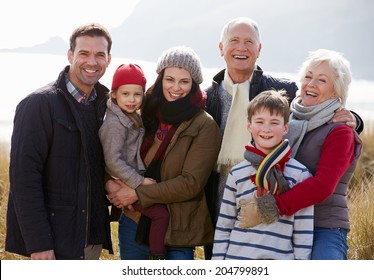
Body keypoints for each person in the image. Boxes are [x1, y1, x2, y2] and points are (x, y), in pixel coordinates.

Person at [203, 16, 363, 259]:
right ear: (221, 47)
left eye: (249, 41)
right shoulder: (208, 98)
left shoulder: (282, 93)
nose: (241, 47)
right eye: (234, 40)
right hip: (237, 206)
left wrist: (354, 119)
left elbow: (324, 180)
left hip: (309, 222)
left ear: (259, 49)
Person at [238, 49, 363, 260]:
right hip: (284, 225)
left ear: (336, 90)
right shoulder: (287, 122)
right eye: (308, 76)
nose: (311, 84)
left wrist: (274, 207)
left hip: (323, 228)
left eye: (322, 80)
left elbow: (323, 185)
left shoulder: (341, 131)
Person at [5, 23, 113, 260]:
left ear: (109, 59)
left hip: (91, 241)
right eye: (84, 53)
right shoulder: (38, 105)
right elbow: (24, 180)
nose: (92, 62)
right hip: (54, 244)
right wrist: (39, 244)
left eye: (99, 55)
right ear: (70, 55)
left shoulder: (106, 106)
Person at [106, 46, 222, 260]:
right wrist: (110, 184)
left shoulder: (204, 126)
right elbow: (111, 151)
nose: (176, 87)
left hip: (178, 230)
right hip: (134, 221)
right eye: (170, 79)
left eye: (184, 81)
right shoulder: (143, 108)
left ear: (194, 83)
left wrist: (138, 193)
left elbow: (190, 183)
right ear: (161, 79)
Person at [212, 90, 313, 260]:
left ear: (285, 128)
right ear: (249, 126)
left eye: (274, 122)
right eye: (259, 121)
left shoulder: (300, 174)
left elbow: (303, 231)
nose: (266, 129)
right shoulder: (237, 174)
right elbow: (225, 225)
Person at [99, 63, 169, 260]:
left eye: (137, 94)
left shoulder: (131, 117)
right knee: (160, 215)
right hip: (125, 181)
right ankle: (157, 256)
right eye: (126, 94)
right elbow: (112, 161)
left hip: (129, 179)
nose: (132, 100)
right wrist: (139, 182)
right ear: (114, 94)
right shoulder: (114, 124)